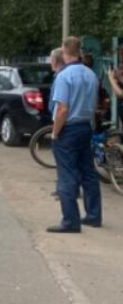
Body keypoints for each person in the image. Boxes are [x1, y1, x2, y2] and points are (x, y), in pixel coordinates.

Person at [49, 36, 102, 232]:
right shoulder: (90, 74)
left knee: (67, 174)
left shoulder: (64, 76)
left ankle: (70, 221)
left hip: (68, 129)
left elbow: (62, 109)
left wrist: (55, 132)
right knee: (88, 172)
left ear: (64, 51)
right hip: (85, 127)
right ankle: (94, 215)